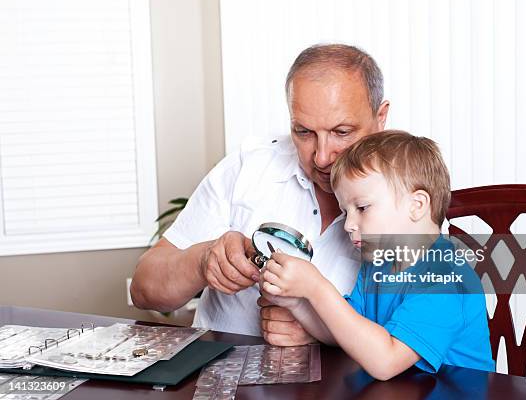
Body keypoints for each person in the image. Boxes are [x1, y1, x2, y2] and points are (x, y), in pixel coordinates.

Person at [130, 44, 390, 343]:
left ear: (380, 117)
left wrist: (322, 332)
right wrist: (202, 262)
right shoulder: (249, 165)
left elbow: (422, 337)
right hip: (218, 378)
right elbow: (143, 290)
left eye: (342, 132)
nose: (321, 157)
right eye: (304, 132)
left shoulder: (408, 197)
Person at [260, 130, 495, 380]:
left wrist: (317, 288)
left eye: (362, 208)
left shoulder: (445, 280)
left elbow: (386, 362)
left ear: (416, 206)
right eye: (345, 211)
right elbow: (345, 334)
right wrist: (298, 302)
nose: (349, 224)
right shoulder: (378, 265)